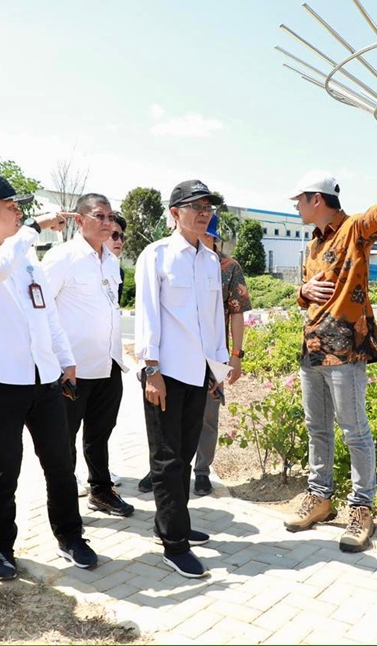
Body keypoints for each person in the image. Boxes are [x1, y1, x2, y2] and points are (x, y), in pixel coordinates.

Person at [0, 174, 100, 582]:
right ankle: (1, 549)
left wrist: (66, 360)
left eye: (20, 209)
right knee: (5, 470)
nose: (19, 213)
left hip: (44, 380)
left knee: (60, 464)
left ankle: (70, 536)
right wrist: (33, 228)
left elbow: (47, 314)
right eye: (12, 206)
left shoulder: (26, 259)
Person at [284, 170, 377, 553]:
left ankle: (361, 508)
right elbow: (307, 296)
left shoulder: (353, 229)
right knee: (317, 428)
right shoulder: (313, 243)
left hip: (346, 349)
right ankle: (319, 498)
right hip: (313, 347)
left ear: (317, 199)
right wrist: (303, 291)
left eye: (299, 200)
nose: (296, 207)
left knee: (354, 430)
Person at [135, 179, 229, 578]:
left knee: (186, 454)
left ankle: (174, 523)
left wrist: (218, 370)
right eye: (196, 207)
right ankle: (174, 545)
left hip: (198, 373)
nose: (204, 213)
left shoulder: (209, 260)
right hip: (166, 374)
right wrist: (151, 369)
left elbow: (214, 320)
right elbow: (147, 314)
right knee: (167, 458)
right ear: (175, 213)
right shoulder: (156, 255)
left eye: (208, 207)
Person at [137, 213, 252, 497]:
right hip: (172, 363)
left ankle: (201, 472)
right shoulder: (162, 256)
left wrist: (233, 357)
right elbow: (150, 313)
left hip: (209, 359)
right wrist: (151, 365)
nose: (201, 239)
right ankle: (162, 475)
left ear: (213, 237)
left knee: (206, 419)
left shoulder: (225, 266)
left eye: (207, 235)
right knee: (166, 430)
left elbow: (234, 313)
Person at [40, 194, 133, 518]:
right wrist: (55, 361)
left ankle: (101, 491)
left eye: (110, 216)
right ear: (79, 220)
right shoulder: (62, 257)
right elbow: (40, 309)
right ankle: (65, 508)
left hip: (108, 364)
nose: (108, 223)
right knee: (63, 440)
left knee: (100, 434)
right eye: (99, 216)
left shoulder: (111, 260)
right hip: (71, 370)